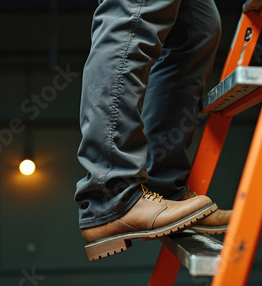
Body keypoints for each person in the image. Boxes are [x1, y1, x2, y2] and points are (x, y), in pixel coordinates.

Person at [75, 0, 231, 261]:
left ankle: (163, 185)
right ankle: (111, 195)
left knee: (197, 29)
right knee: (135, 12)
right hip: (111, 192)